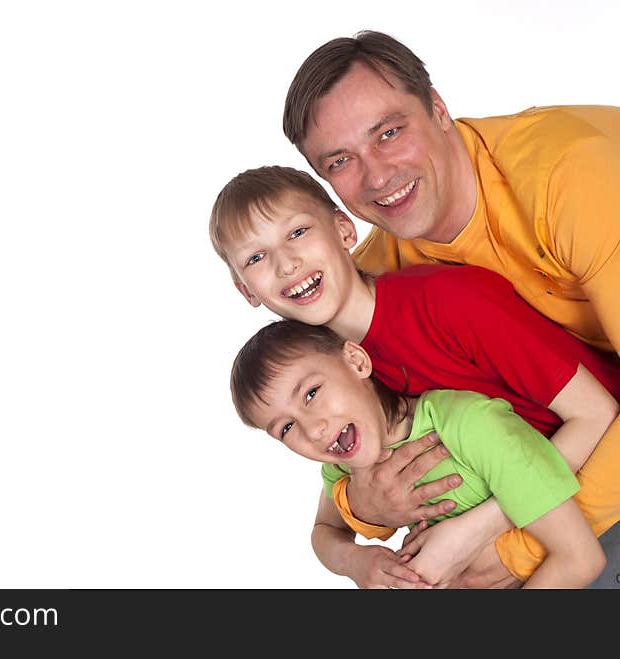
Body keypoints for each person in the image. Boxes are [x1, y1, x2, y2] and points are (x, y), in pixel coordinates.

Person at [281, 30, 620, 587]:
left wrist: (516, 548)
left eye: (389, 132)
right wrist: (364, 506)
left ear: (438, 109)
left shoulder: (569, 179)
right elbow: (355, 429)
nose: (378, 175)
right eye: (340, 160)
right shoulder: (376, 281)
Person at [209, 164, 620, 587]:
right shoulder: (324, 377)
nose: (285, 263)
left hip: (601, 499)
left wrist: (476, 533)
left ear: (345, 231)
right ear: (246, 291)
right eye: (256, 258)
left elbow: (599, 413)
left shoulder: (449, 303)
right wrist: (358, 547)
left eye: (297, 233)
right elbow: (333, 520)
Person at [229, 319, 606, 589]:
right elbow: (325, 532)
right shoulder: (343, 465)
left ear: (357, 362)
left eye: (311, 393)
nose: (313, 429)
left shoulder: (467, 424)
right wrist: (355, 562)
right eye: (286, 428)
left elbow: (581, 560)